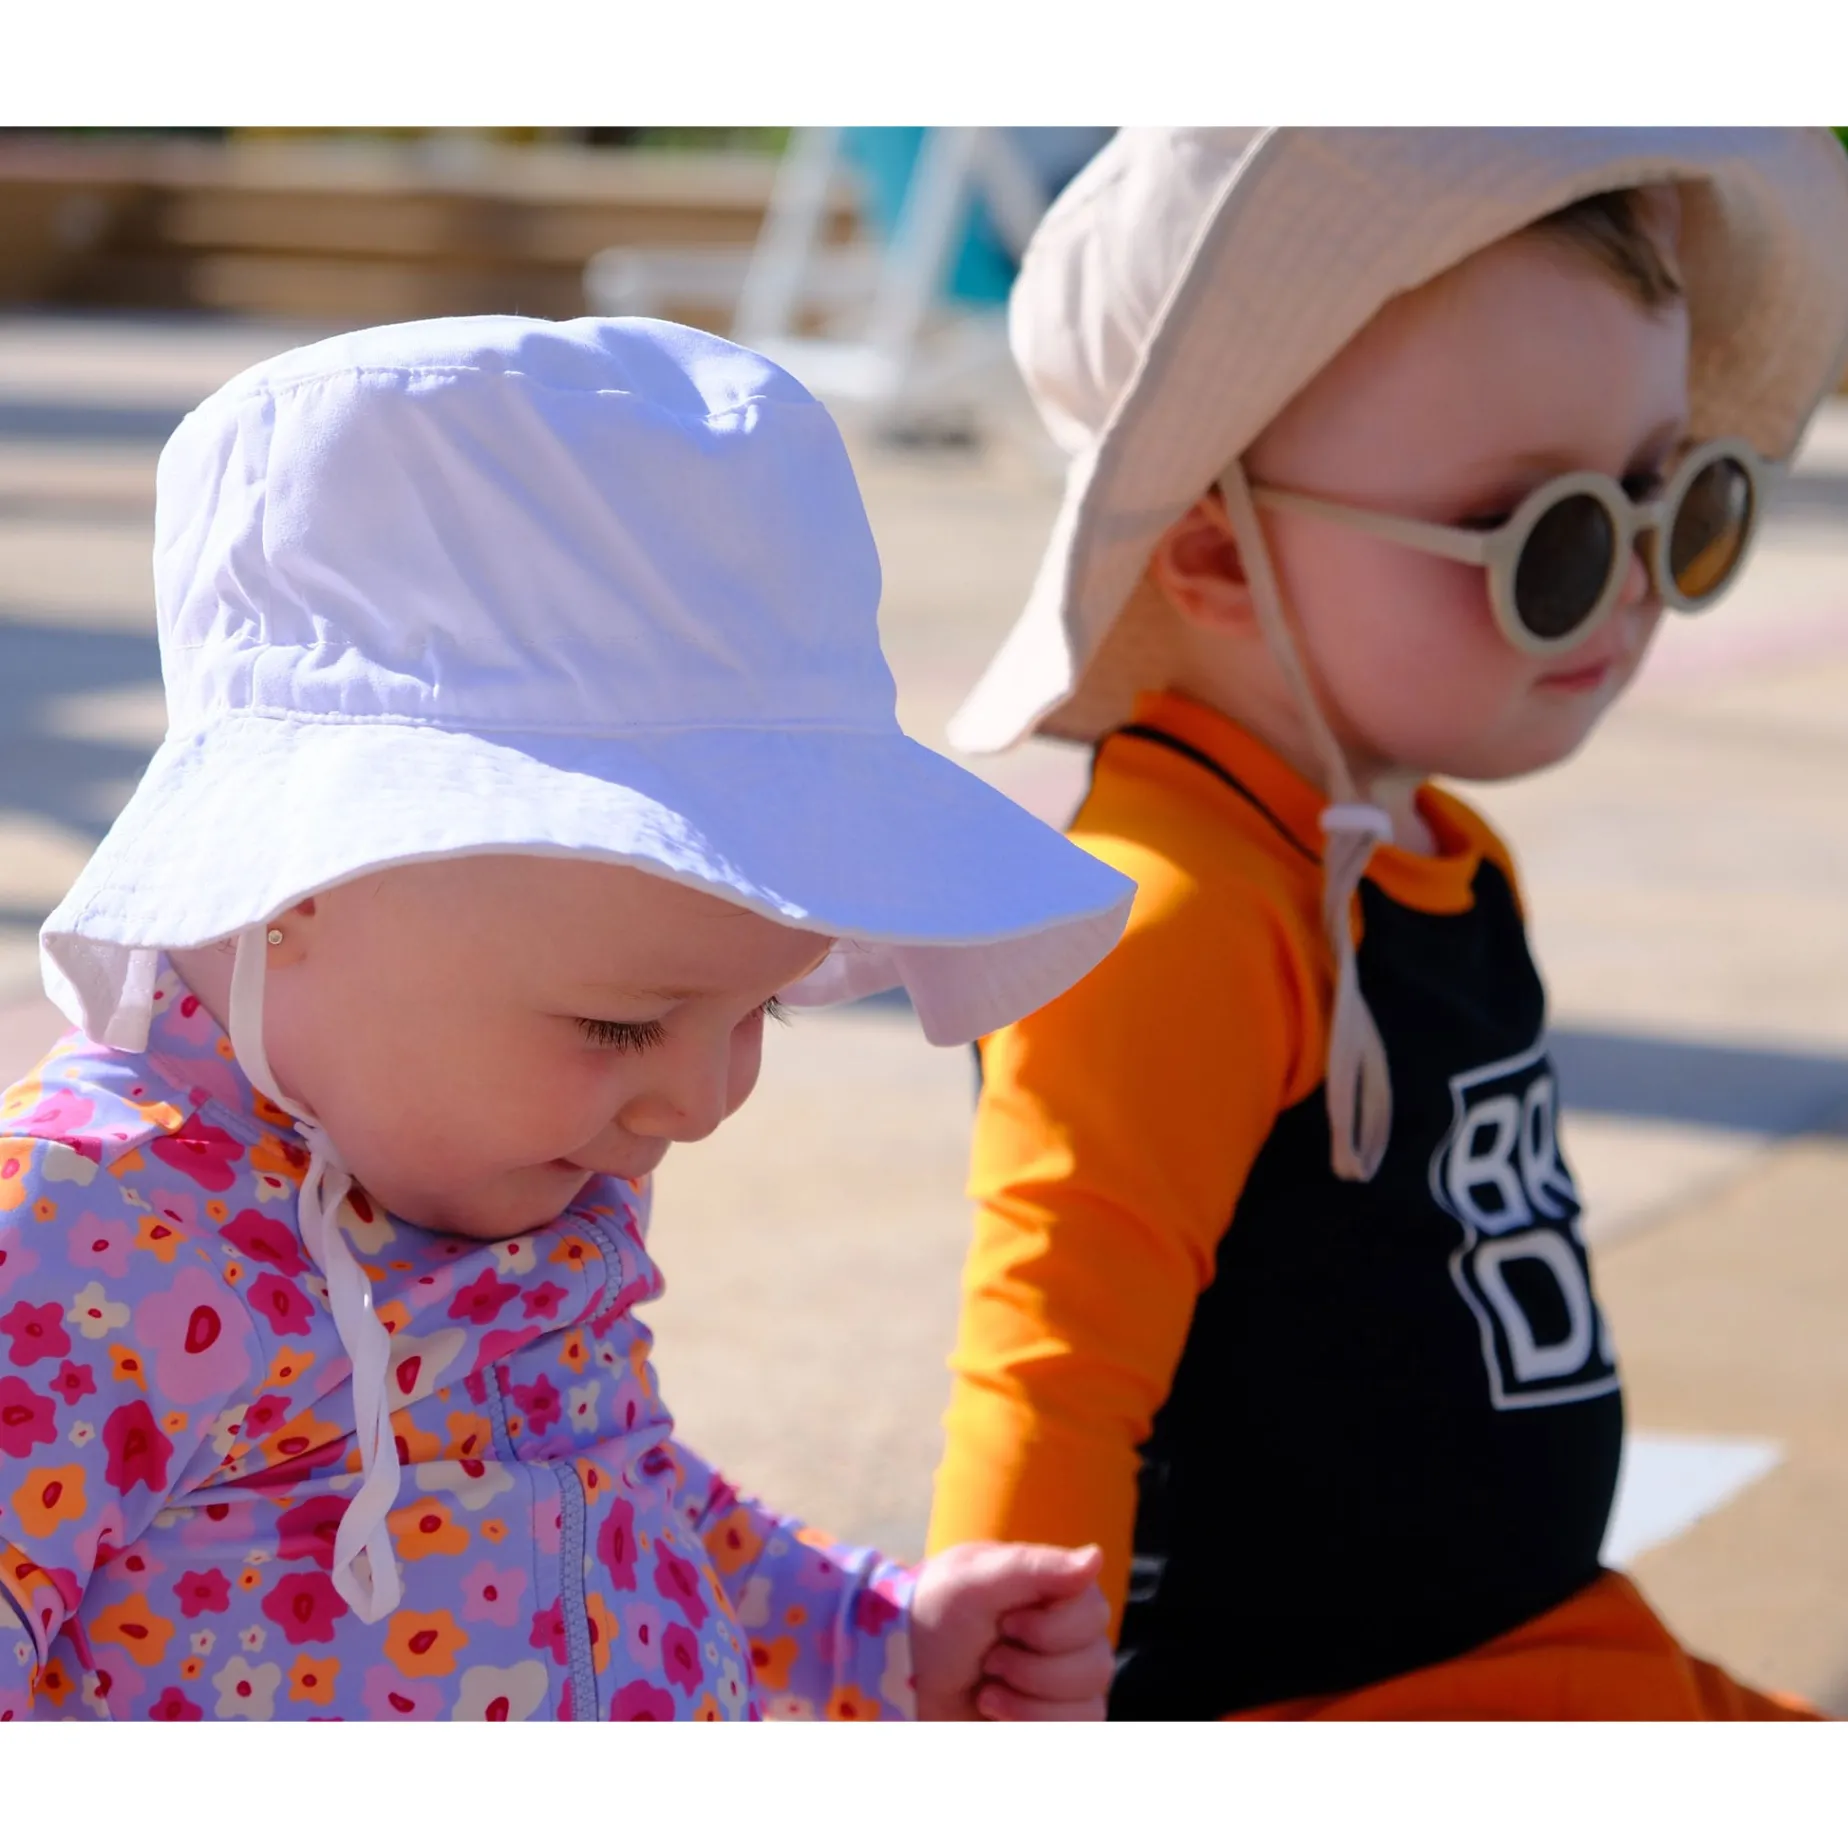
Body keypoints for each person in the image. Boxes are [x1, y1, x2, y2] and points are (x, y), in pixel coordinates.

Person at [0, 314, 1135, 1721]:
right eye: (620, 1027)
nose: (699, 1104)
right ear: (287, 886)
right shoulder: (91, 1237)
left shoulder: (537, 1175)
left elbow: (611, 1489)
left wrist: (868, 1641)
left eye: (762, 1012)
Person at [925, 128, 1848, 1719]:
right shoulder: (1169, 923)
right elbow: (1048, 1375)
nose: (1634, 579)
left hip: (1535, 1651)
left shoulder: (1433, 856)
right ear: (1215, 549)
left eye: (1672, 496)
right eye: (1546, 534)